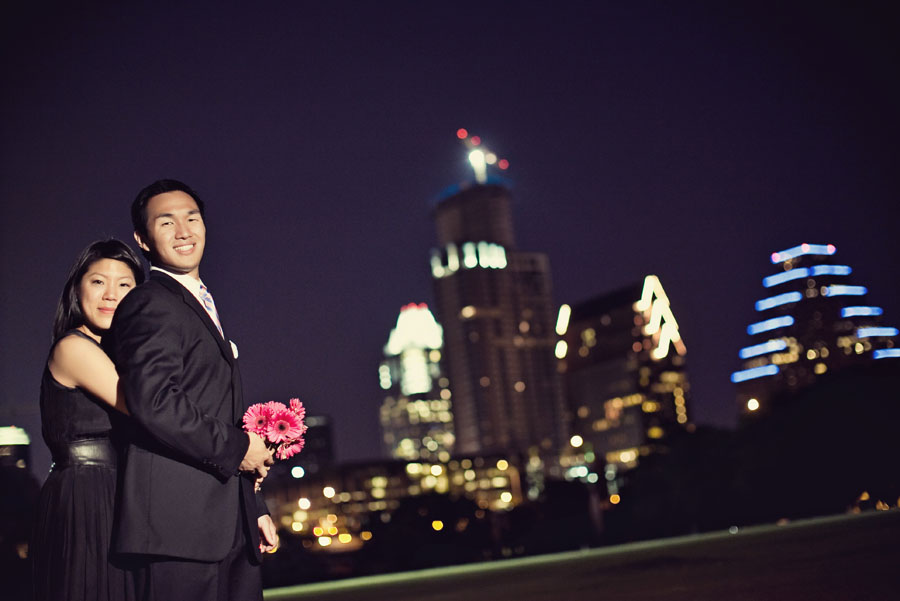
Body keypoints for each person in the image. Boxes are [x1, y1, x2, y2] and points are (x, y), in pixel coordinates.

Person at [105, 179, 276, 601]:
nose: (184, 231)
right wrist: (240, 448)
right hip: (176, 524)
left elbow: (215, 408)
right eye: (167, 222)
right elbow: (155, 402)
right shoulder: (150, 302)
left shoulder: (199, 302)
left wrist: (252, 508)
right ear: (142, 240)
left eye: (192, 218)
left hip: (227, 519)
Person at [32, 239, 145, 601]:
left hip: (115, 492)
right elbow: (149, 407)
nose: (110, 294)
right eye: (98, 281)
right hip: (86, 496)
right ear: (77, 289)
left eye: (124, 285)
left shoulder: (115, 354)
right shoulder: (74, 347)